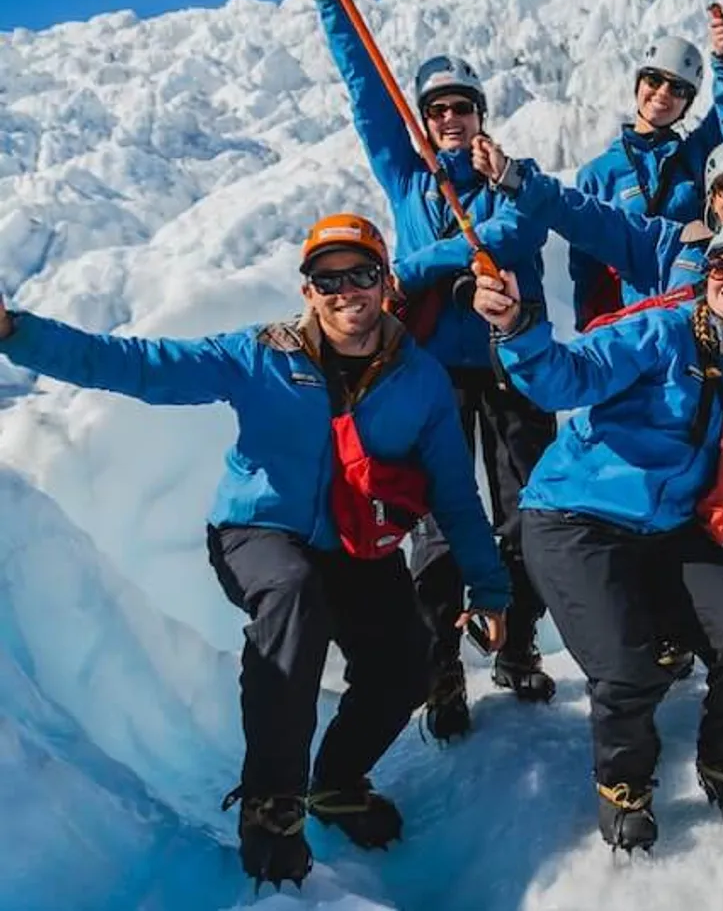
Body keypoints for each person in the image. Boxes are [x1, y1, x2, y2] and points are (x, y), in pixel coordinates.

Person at [0, 214, 510, 890]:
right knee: (293, 600)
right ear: (307, 291)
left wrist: (490, 587)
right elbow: (138, 366)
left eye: (360, 273)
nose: (345, 291)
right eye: (327, 278)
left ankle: (334, 783)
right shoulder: (262, 354)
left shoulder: (419, 381)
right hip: (258, 532)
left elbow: (453, 492)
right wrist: (16, 333)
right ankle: (272, 804)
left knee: (404, 667)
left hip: (354, 542)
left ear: (387, 284)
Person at [472, 213, 723, 852]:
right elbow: (566, 377)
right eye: (721, 267)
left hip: (665, 531)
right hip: (574, 518)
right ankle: (625, 783)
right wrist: (516, 328)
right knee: (627, 668)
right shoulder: (660, 333)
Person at [295, 0, 553, 739]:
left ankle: (517, 645)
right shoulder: (408, 180)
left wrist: (417, 262)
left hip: (510, 367)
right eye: (437, 109)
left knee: (523, 512)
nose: (449, 119)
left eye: (461, 108)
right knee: (441, 518)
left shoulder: (511, 178)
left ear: (480, 118)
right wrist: (332, 1)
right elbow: (365, 94)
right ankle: (442, 667)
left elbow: (512, 235)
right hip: (432, 376)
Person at [567, 0, 723, 327]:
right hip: (631, 324)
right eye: (654, 80)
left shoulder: (696, 156)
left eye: (679, 88)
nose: (663, 93)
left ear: (687, 102)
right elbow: (585, 270)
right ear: (639, 83)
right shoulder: (597, 175)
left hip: (698, 318)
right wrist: (592, 333)